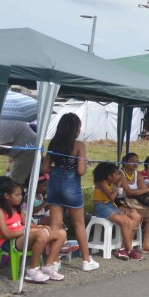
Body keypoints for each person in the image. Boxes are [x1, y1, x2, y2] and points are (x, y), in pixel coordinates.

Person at [43, 113, 99, 271]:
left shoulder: (53, 144)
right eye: (79, 127)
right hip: (71, 185)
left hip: (53, 184)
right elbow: (81, 171)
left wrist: (58, 168)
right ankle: (87, 260)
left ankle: (52, 261)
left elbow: (45, 168)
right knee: (79, 224)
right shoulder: (79, 145)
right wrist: (85, 164)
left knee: (55, 225)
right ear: (75, 128)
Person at [0, 177, 67, 283]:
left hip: (23, 237)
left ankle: (48, 266)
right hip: (10, 242)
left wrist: (40, 227)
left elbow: (29, 225)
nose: (20, 198)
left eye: (21, 194)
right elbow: (7, 234)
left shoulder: (17, 209)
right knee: (41, 234)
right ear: (7, 196)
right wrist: (28, 231)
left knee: (61, 234)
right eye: (17, 195)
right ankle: (32, 270)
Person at [92, 162, 143, 261]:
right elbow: (111, 197)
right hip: (101, 206)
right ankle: (130, 249)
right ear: (109, 176)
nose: (119, 176)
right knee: (125, 220)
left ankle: (124, 248)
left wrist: (120, 190)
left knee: (136, 216)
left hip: (111, 206)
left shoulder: (111, 182)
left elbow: (115, 198)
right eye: (117, 174)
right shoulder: (102, 183)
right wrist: (118, 187)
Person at [119, 153, 149, 254]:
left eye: (137, 162)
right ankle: (126, 247)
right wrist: (148, 191)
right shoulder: (120, 173)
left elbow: (145, 190)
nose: (135, 163)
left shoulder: (137, 174)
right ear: (125, 162)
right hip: (120, 203)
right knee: (136, 216)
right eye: (132, 161)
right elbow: (129, 192)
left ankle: (146, 244)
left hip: (133, 203)